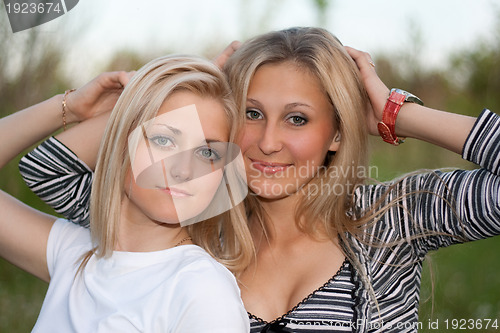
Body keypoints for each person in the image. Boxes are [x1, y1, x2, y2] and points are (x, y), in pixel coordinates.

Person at [19, 27, 500, 332]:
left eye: (297, 119)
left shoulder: (391, 217)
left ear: (336, 131)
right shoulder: (188, 215)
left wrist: (395, 114)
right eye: (251, 113)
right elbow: (48, 171)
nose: (267, 142)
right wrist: (173, 97)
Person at [2, 55, 253, 332]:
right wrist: (69, 106)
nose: (184, 170)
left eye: (207, 153)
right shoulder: (73, 251)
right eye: (164, 140)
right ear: (121, 144)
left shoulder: (202, 291)